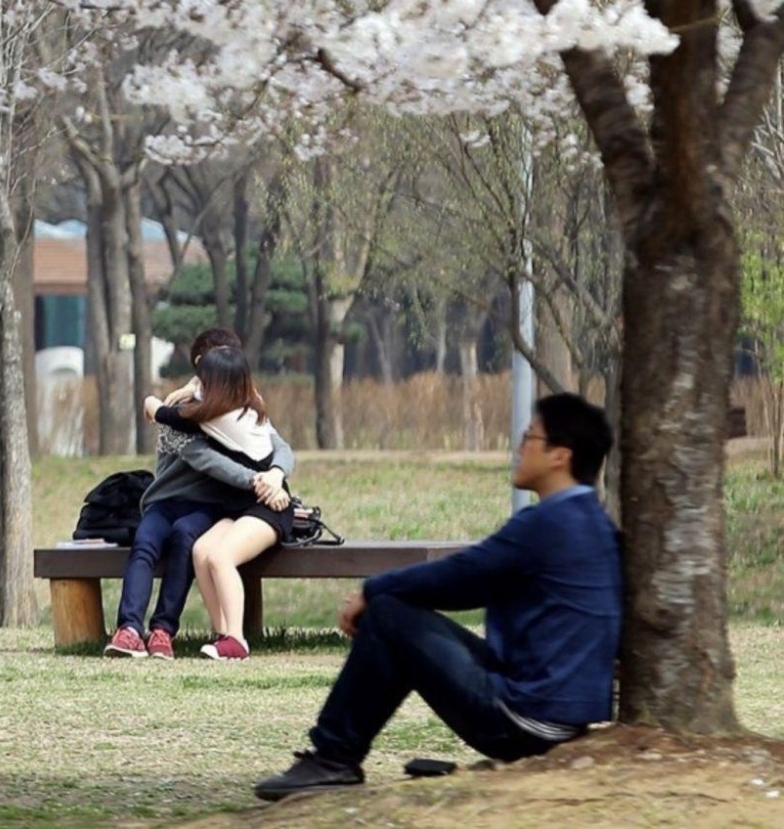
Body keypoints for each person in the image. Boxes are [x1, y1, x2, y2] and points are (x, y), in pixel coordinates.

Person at [255, 392, 622, 801]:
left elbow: (461, 576)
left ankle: (333, 757)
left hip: (525, 720)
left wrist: (372, 590)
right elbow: (472, 584)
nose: (519, 448)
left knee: (388, 614)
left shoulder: (547, 523)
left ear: (559, 456)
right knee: (394, 612)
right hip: (561, 718)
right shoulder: (595, 523)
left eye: (529, 438)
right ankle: (335, 755)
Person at [104, 329, 293, 661]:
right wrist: (262, 481)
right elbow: (186, 434)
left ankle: (177, 632)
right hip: (208, 503)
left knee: (204, 549)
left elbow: (271, 450)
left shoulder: (226, 411)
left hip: (238, 505)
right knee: (172, 546)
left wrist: (272, 477)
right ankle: (134, 629)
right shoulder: (216, 407)